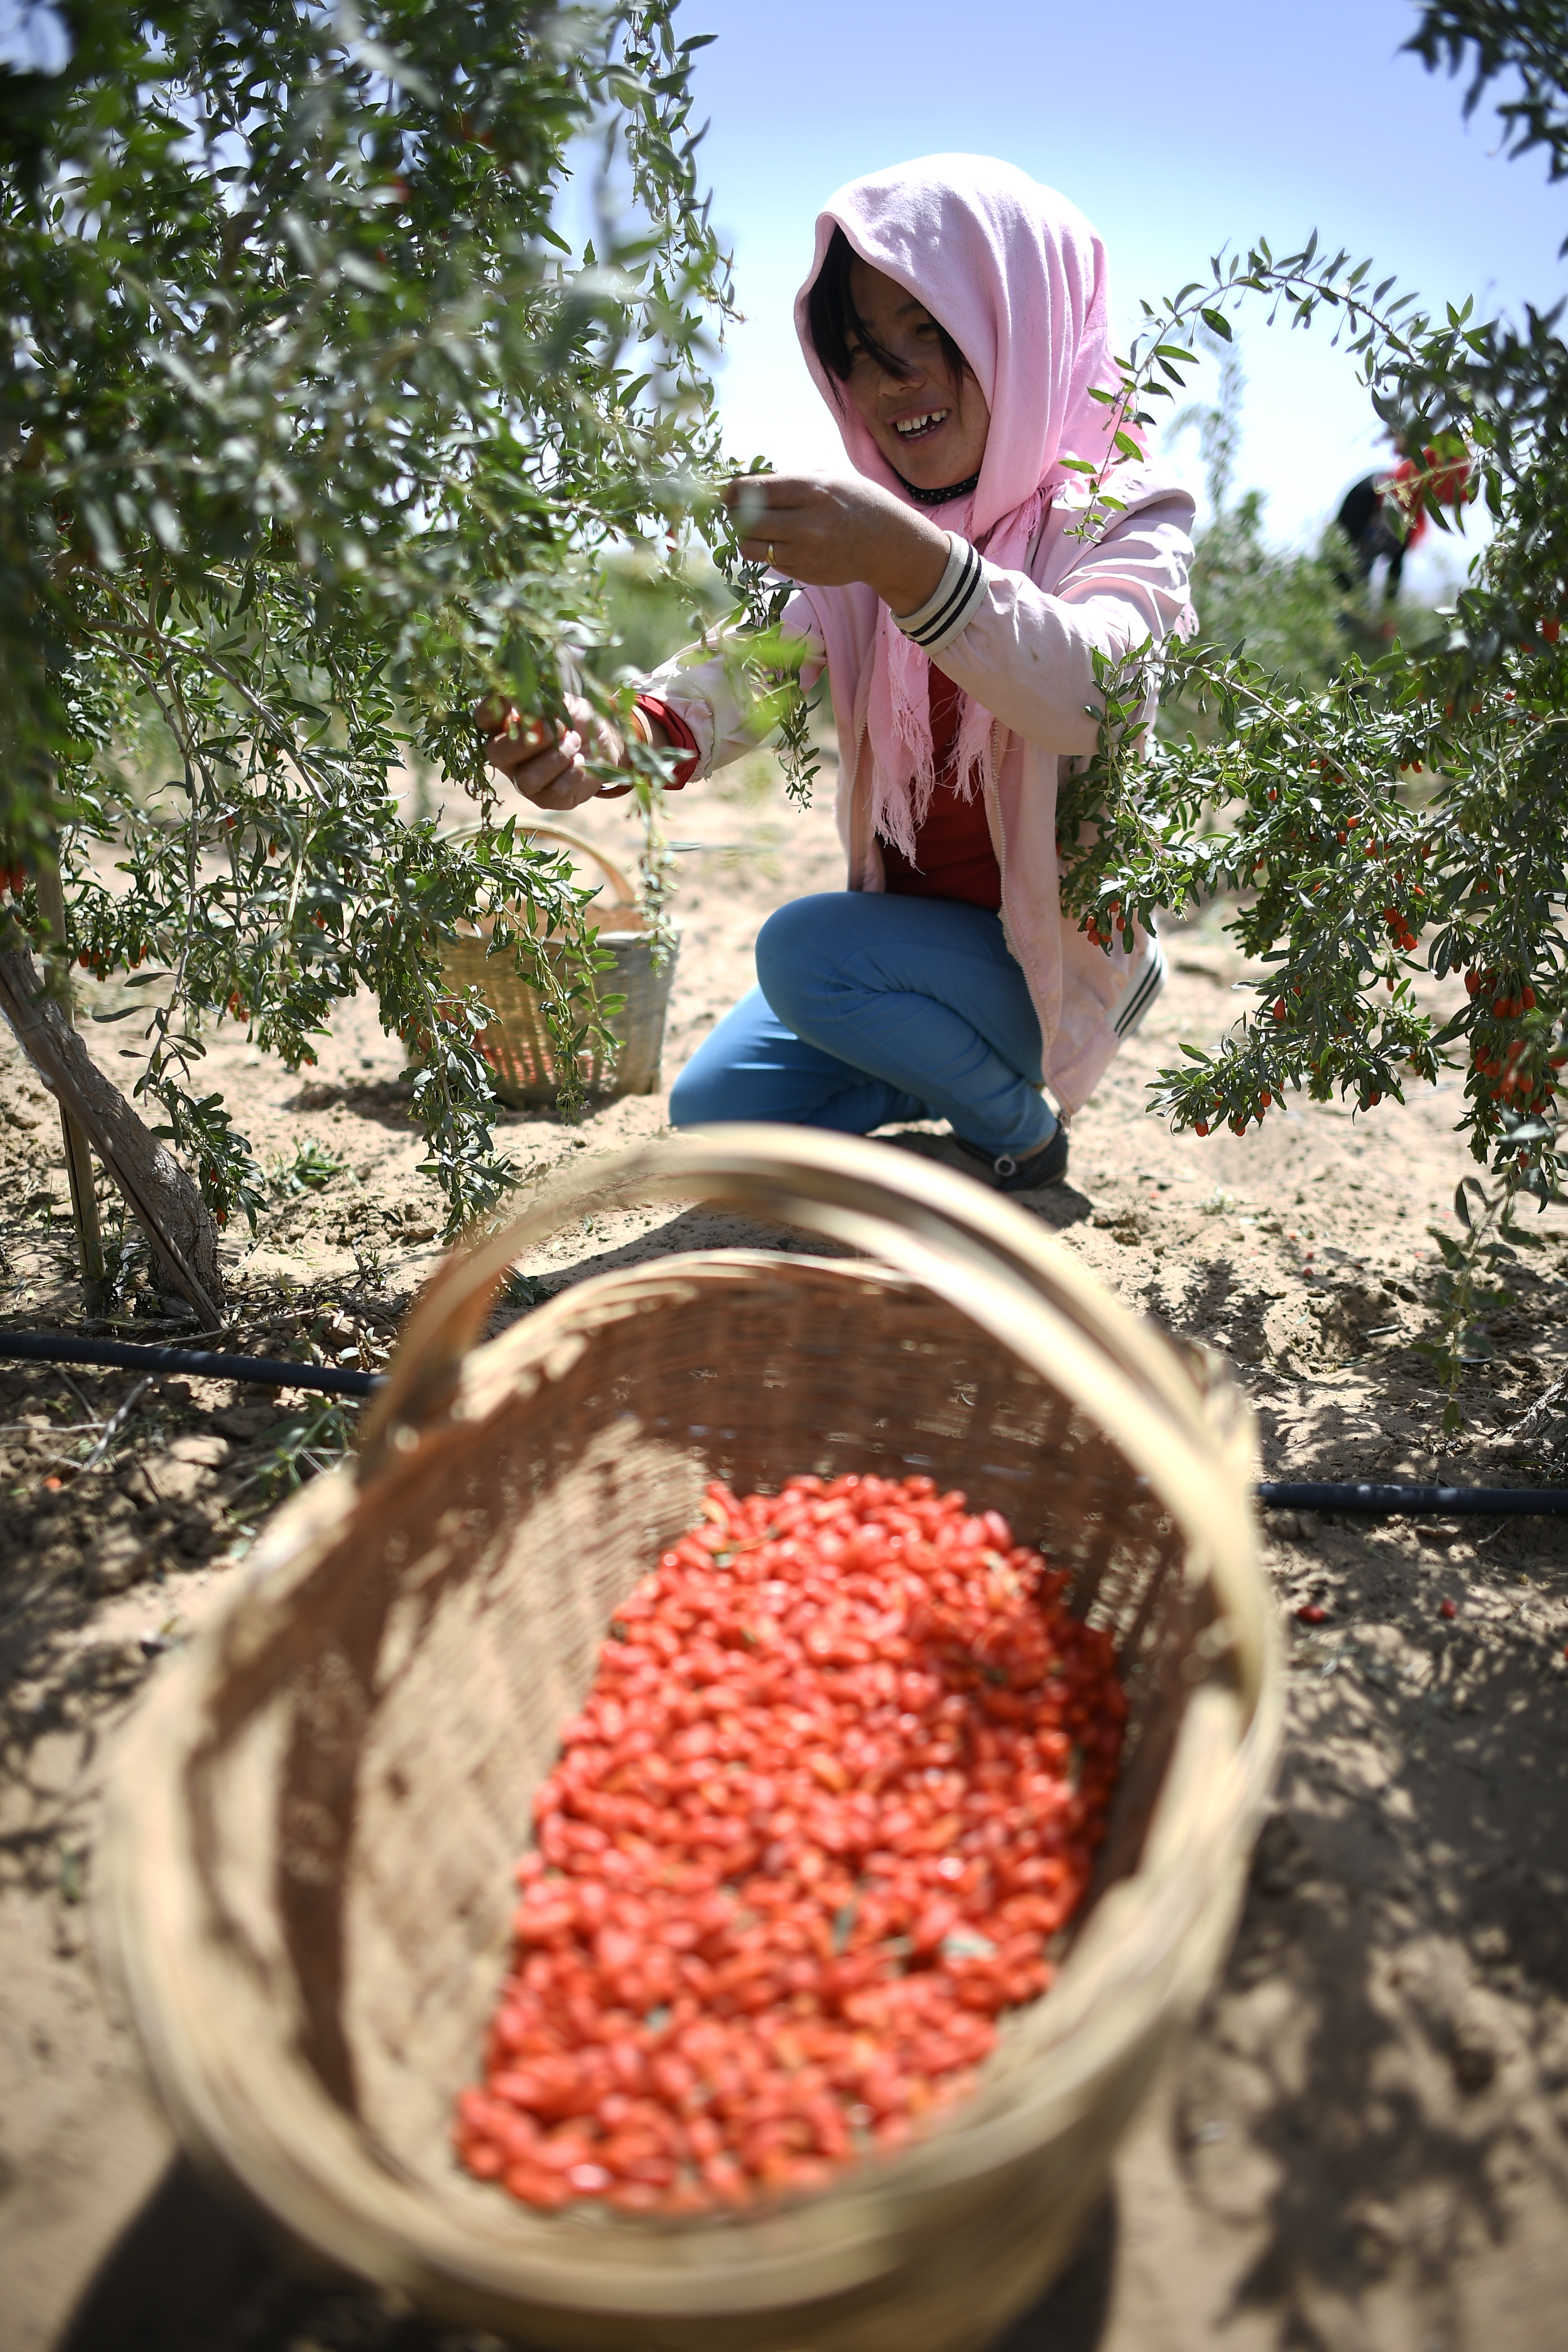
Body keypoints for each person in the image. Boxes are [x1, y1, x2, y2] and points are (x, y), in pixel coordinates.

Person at [483, 155, 1196, 1193]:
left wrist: (904, 558)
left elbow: (1089, 691)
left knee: (806, 947)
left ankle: (1020, 1136)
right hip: (913, 958)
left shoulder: (1124, 515)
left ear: (1023, 328)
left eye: (931, 333)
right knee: (720, 1112)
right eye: (861, 352)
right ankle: (942, 1070)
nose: (894, 380)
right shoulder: (873, 546)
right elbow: (751, 666)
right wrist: (612, 743)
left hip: (1045, 957)